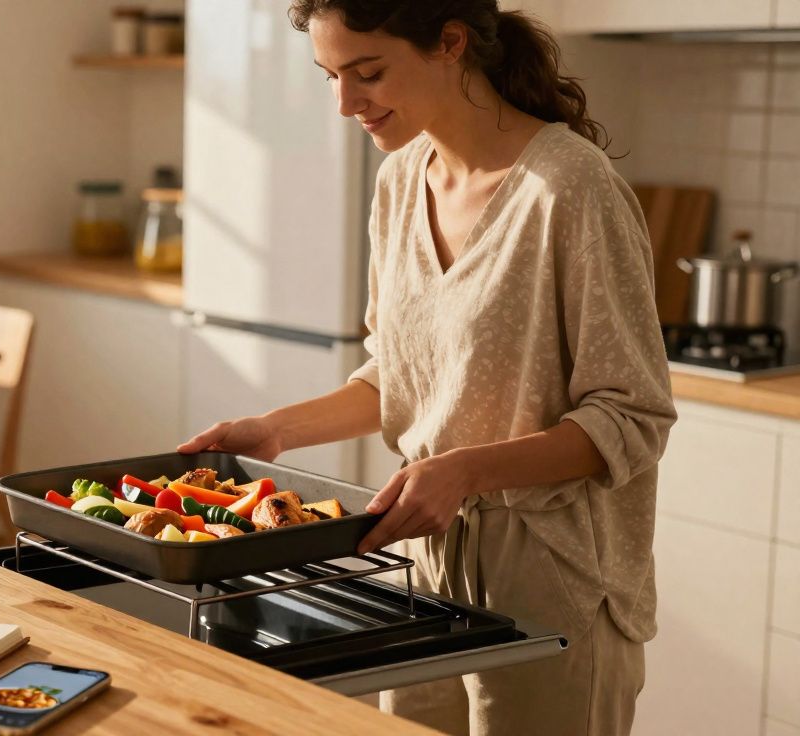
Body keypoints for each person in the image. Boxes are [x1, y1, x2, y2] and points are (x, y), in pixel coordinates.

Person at [177, 2, 677, 734]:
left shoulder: (570, 189)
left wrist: (466, 470)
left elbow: (630, 418)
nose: (346, 104)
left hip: (552, 567)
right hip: (424, 553)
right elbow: (401, 375)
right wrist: (274, 430)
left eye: (368, 73)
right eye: (331, 77)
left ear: (451, 43)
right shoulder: (401, 181)